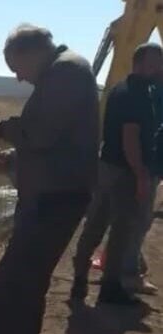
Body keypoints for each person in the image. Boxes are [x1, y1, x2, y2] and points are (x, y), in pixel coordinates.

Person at [0, 24, 100, 334]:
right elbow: (55, 142)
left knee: (10, 289)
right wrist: (11, 162)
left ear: (31, 53)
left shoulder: (67, 72)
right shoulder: (64, 71)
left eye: (16, 66)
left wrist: (3, 129)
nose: (17, 76)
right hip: (54, 196)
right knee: (26, 289)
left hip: (54, 201)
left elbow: (39, 134)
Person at [71, 43, 163, 305]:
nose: (159, 67)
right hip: (125, 171)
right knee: (122, 229)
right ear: (139, 62)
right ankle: (111, 288)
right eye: (155, 62)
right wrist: (141, 175)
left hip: (108, 166)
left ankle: (80, 280)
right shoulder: (137, 95)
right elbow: (130, 137)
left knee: (96, 224)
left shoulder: (120, 90)